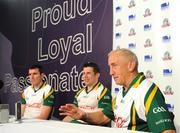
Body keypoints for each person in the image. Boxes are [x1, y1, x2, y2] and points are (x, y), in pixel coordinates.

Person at [60, 49, 176, 133]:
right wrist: (83, 114)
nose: (111, 72)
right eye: (110, 67)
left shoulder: (147, 90)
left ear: (131, 65)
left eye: (114, 66)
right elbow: (103, 117)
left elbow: (168, 131)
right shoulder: (122, 92)